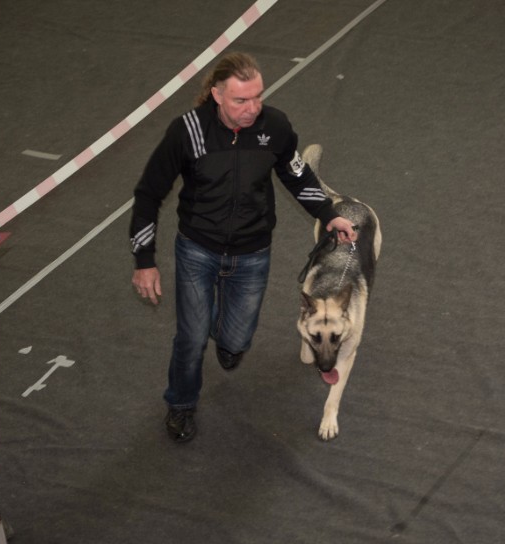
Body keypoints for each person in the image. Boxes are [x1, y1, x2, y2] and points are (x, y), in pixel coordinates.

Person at [130, 52, 357, 443]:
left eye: (257, 97)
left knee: (236, 341)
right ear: (217, 95)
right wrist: (144, 260)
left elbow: (297, 175)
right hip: (197, 250)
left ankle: (218, 329)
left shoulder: (275, 126)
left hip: (252, 253)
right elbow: (149, 194)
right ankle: (181, 405)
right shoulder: (188, 132)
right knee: (191, 338)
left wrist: (328, 213)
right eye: (241, 100)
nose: (253, 108)